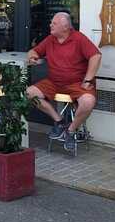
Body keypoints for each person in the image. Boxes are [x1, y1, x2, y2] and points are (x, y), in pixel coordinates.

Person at [26, 12, 101, 152]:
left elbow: (96, 56)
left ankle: (70, 131)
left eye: (54, 23)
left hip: (77, 83)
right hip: (54, 83)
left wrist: (88, 79)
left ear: (65, 26)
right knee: (29, 93)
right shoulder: (50, 39)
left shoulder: (78, 38)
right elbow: (34, 51)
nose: (50, 25)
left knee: (88, 102)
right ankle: (59, 121)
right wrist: (33, 56)